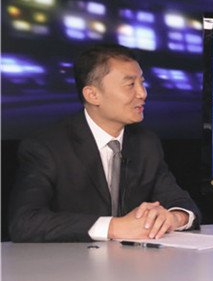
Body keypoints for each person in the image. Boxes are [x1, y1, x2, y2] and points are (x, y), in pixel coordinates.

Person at [9, 44, 202, 242]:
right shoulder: (47, 147)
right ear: (92, 95)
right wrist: (114, 227)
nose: (142, 93)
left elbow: (182, 203)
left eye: (142, 83)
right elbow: (24, 222)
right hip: (71, 260)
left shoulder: (146, 143)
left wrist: (173, 218)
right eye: (130, 85)